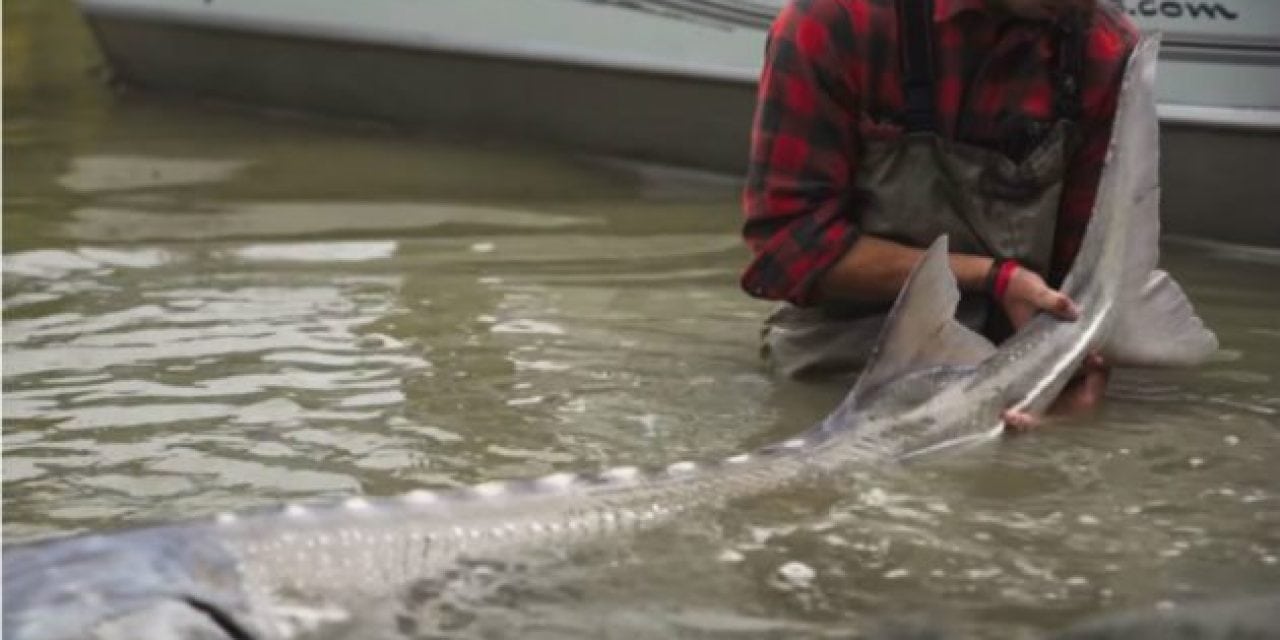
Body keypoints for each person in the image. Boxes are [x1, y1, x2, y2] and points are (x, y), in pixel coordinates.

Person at [740, 0, 1138, 427]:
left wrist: (1069, 391)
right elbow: (787, 252)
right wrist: (993, 277)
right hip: (838, 376)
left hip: (1010, 379)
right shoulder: (834, 20)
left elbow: (1084, 284)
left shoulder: (1103, 47)